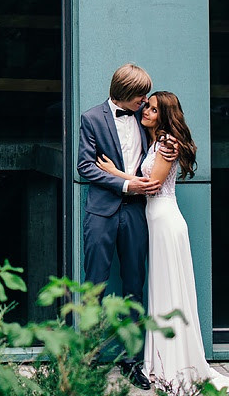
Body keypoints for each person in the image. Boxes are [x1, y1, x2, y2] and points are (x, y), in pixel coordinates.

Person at [95, 91, 229, 394]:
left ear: (165, 115)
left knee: (170, 290)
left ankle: (176, 363)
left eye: (152, 108)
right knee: (161, 290)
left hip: (165, 221)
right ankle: (161, 360)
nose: (146, 111)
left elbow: (152, 186)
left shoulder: (166, 143)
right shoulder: (156, 141)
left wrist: (112, 172)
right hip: (155, 222)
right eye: (146, 106)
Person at [77, 63, 174, 391]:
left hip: (137, 215)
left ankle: (133, 361)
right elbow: (84, 166)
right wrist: (124, 185)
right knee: (95, 286)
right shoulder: (91, 119)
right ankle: (87, 358)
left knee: (135, 284)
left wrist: (132, 183)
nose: (145, 101)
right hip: (101, 214)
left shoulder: (145, 119)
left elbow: (164, 154)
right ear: (124, 93)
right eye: (140, 95)